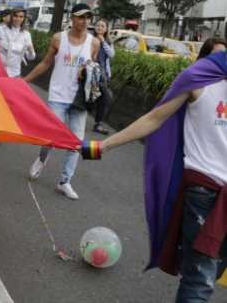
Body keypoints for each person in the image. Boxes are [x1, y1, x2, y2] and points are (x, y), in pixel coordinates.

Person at [93, 50, 227, 302]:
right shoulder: (199, 77)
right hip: (205, 191)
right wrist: (105, 145)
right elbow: (155, 118)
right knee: (200, 277)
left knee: (210, 269)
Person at [23, 3, 100, 200]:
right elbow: (46, 62)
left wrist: (90, 71)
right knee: (51, 135)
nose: (84, 21)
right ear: (72, 18)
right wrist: (24, 81)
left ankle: (65, 181)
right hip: (58, 95)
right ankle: (41, 159)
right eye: (80, 17)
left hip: (79, 100)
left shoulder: (94, 43)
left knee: (76, 142)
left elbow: (93, 69)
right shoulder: (59, 38)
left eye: (87, 18)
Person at [0, 8, 35, 77]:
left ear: (24, 18)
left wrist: (31, 50)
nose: (18, 19)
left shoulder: (26, 34)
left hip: (15, 73)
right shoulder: (1, 30)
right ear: (11, 16)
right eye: (16, 16)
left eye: (21, 17)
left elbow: (30, 57)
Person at [93, 18, 115, 135]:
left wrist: (103, 42)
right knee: (103, 97)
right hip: (91, 74)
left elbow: (111, 55)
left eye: (102, 26)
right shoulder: (89, 39)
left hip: (103, 76)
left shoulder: (108, 42)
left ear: (106, 29)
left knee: (106, 98)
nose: (100, 28)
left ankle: (98, 123)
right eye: (98, 25)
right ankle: (98, 123)